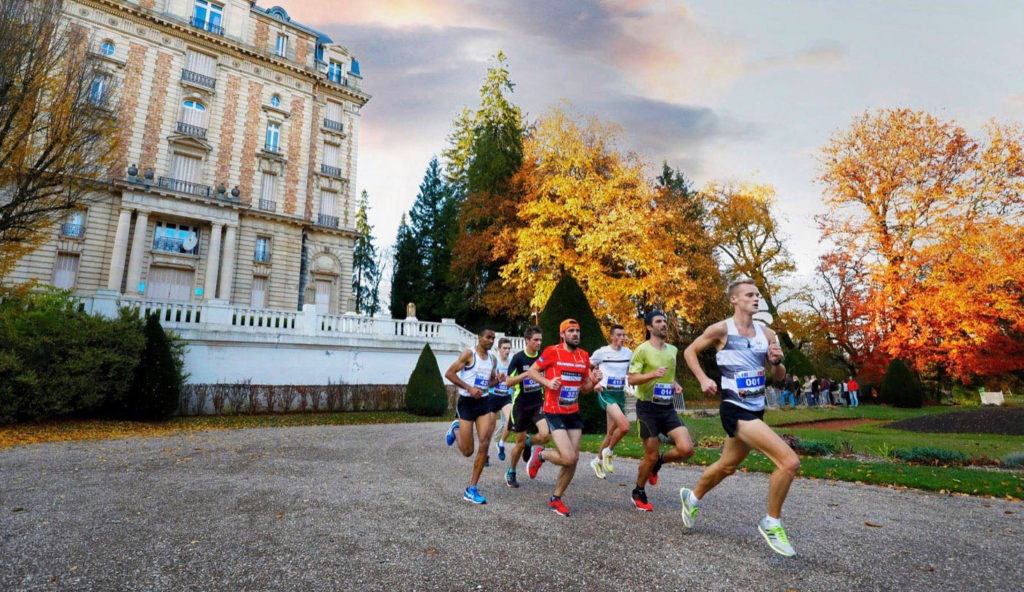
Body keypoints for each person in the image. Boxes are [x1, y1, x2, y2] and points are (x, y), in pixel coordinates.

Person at [681, 278, 800, 557]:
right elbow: (690, 351)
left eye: (757, 295)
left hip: (756, 409)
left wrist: (776, 361)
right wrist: (702, 378)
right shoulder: (721, 329)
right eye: (749, 295)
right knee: (789, 462)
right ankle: (771, 522)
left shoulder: (767, 333)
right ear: (734, 299)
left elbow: (778, 378)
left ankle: (692, 497)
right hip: (734, 408)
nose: (755, 299)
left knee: (726, 466)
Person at [525, 319, 602, 517]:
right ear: (563, 335)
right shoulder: (552, 351)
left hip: (572, 412)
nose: (575, 334)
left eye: (577, 331)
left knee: (573, 460)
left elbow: (584, 388)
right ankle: (540, 454)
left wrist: (593, 380)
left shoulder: (584, 356)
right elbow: (532, 371)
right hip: (553, 411)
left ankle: (556, 499)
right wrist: (547, 382)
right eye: (571, 331)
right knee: (568, 457)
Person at [628, 311, 694, 511]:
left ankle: (659, 462)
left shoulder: (672, 350)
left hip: (667, 407)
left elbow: (668, 375)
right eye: (658, 322)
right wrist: (652, 375)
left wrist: (675, 384)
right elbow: (632, 379)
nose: (664, 324)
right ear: (649, 327)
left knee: (686, 449)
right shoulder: (642, 350)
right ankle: (638, 491)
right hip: (647, 408)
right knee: (650, 454)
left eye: (664, 321)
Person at [443, 328, 498, 504]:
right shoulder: (469, 354)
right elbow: (449, 374)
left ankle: (472, 488)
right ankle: (456, 429)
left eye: (493, 338)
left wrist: (499, 380)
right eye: (488, 337)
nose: (490, 341)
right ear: (479, 337)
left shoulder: (493, 359)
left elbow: (488, 382)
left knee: (484, 443)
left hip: (483, 403)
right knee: (468, 451)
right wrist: (468, 388)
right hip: (466, 403)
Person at [503, 327, 551, 488]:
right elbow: (508, 382)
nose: (539, 343)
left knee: (545, 435)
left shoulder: (543, 357)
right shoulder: (518, 358)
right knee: (519, 443)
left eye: (540, 340)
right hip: (521, 406)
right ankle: (511, 471)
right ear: (527, 341)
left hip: (537, 403)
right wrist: (527, 374)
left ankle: (530, 443)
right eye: (535, 340)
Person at [588, 324, 633, 479]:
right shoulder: (602, 352)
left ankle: (597, 460)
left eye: (624, 335)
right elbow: (586, 366)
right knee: (625, 426)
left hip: (619, 394)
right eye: (619, 335)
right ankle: (609, 452)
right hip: (605, 393)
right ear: (612, 337)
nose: (622, 338)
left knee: (610, 434)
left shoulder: (628, 353)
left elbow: (631, 372)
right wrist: (594, 381)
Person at [491, 338, 514, 462]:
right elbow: (488, 381)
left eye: (509, 348)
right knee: (490, 427)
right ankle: (486, 454)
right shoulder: (494, 362)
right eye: (504, 348)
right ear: (499, 349)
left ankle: (501, 443)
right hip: (493, 397)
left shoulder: (512, 363)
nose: (507, 350)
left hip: (505, 396)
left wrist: (508, 381)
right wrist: (498, 380)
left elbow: (514, 384)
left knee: (511, 420)